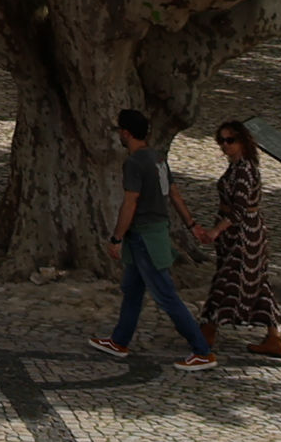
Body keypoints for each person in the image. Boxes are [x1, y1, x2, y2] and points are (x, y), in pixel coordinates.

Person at [88, 108, 216, 368]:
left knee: (165, 295)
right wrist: (192, 225)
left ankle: (201, 350)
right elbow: (175, 195)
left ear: (125, 132)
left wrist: (116, 237)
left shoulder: (134, 163)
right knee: (132, 290)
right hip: (153, 233)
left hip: (144, 237)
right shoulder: (158, 159)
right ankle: (119, 340)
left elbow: (130, 202)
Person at [198, 121, 281, 360]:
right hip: (237, 235)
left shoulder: (244, 170)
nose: (225, 146)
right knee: (257, 283)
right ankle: (274, 337)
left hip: (244, 236)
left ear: (242, 142)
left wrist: (216, 231)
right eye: (222, 141)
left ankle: (208, 329)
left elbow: (238, 210)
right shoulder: (237, 167)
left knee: (228, 280)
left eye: (230, 140)